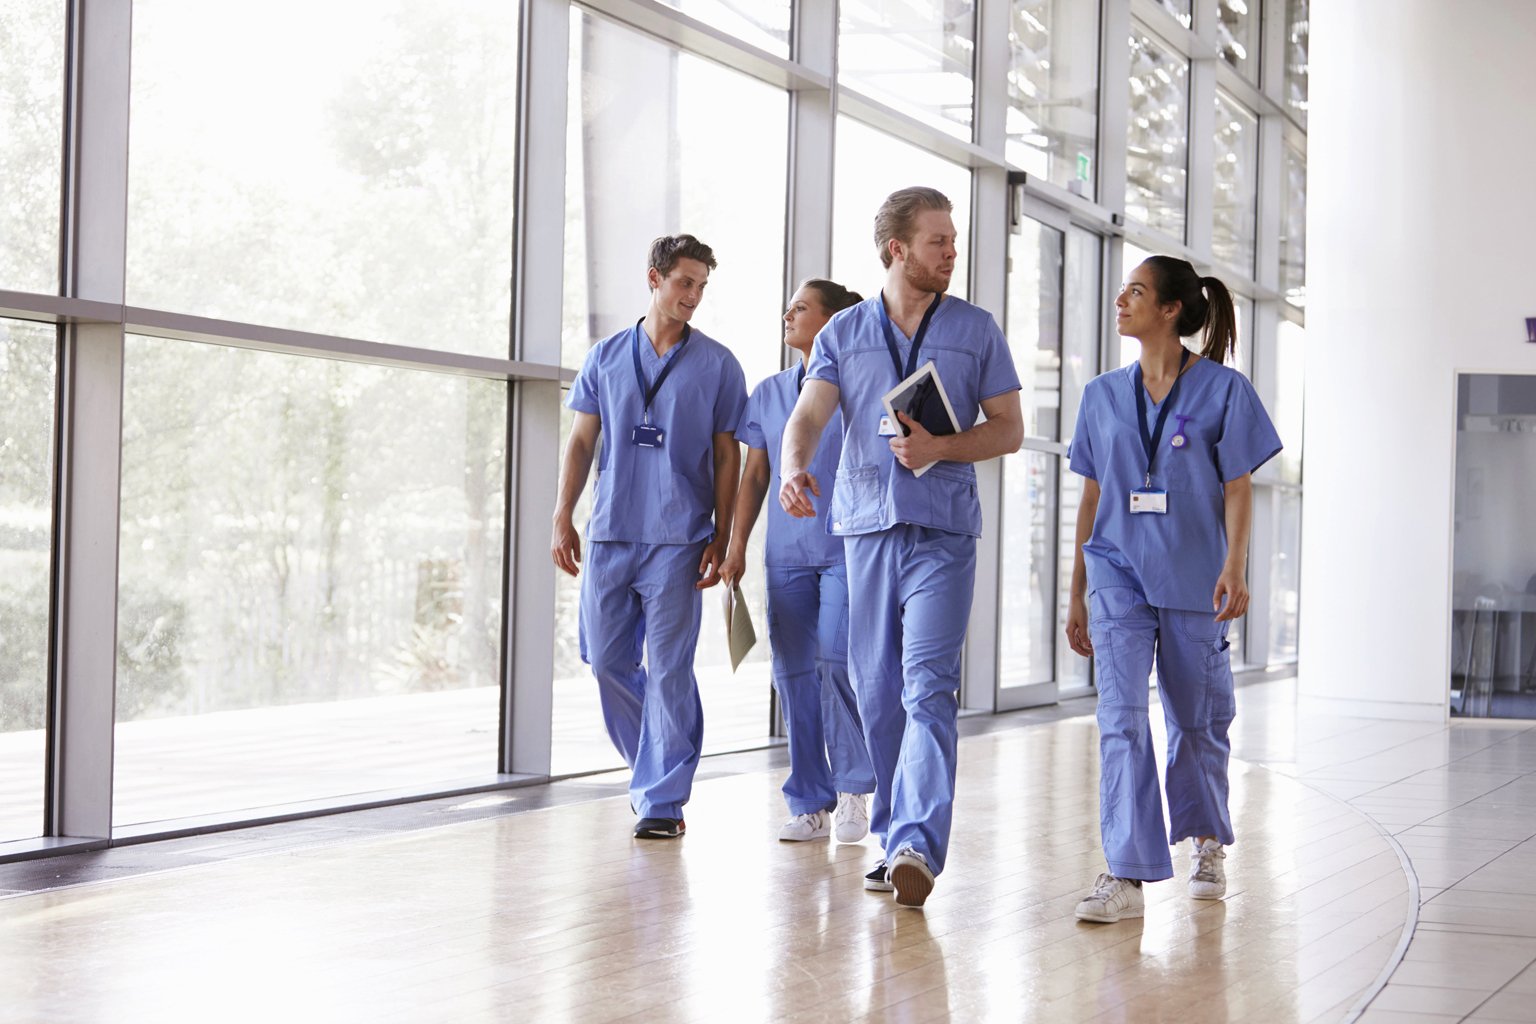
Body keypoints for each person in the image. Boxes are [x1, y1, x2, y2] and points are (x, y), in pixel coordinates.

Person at [778, 188, 1023, 908]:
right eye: (939, 241)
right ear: (897, 250)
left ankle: (917, 839)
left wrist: (942, 446)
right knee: (879, 691)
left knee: (926, 686)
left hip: (943, 532)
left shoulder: (976, 330)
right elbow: (808, 415)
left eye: (952, 240)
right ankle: (892, 837)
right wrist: (795, 466)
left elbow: (1007, 427)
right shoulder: (843, 333)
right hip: (865, 531)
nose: (952, 252)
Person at [1065, 255, 1282, 922]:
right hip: (1117, 574)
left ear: (1170, 311)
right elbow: (1092, 493)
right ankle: (1126, 873)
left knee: (1197, 721)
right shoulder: (1102, 394)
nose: (1121, 299)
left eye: (1136, 291)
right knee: (1121, 719)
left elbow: (1239, 485)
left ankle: (1207, 839)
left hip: (1194, 575)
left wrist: (1235, 566)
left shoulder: (1224, 390)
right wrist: (1076, 590)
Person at [551, 234, 747, 841]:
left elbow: (726, 457)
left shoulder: (718, 364)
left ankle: (662, 798)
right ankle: (651, 770)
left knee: (668, 670)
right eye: (684, 283)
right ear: (654, 279)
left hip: (680, 537)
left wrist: (723, 532)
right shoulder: (606, 356)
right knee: (607, 661)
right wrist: (563, 514)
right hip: (611, 532)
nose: (693, 296)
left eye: (701, 287)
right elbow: (583, 441)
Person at [720, 279, 876, 845]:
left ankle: (856, 787)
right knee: (793, 677)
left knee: (836, 661)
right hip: (785, 556)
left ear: (835, 321)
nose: (788, 313)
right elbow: (755, 475)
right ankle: (811, 799)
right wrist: (736, 547)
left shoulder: (859, 389)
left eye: (802, 307)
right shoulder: (768, 392)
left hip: (846, 548)